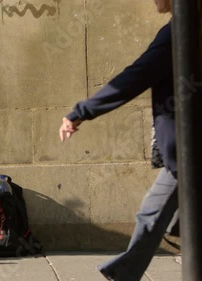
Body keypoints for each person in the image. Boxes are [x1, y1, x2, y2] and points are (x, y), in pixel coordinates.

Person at [59, 0, 177, 280]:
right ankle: (124, 274)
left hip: (188, 153)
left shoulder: (177, 34)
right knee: (153, 213)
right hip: (183, 155)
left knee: (154, 213)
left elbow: (135, 77)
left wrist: (81, 112)